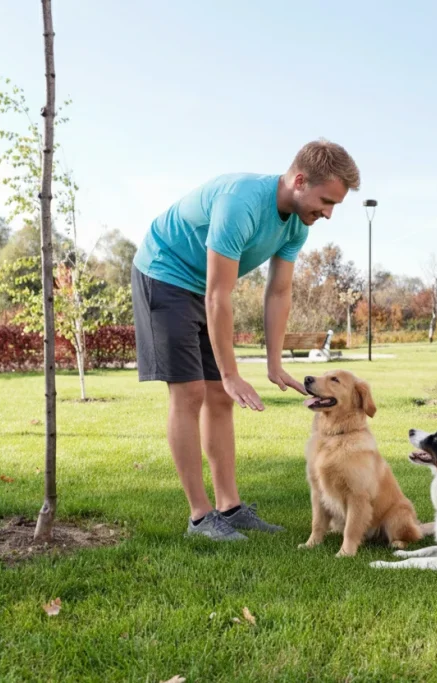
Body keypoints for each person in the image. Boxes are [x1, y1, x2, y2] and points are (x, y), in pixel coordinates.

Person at [131, 139, 360, 541]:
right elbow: (219, 295)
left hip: (202, 287)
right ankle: (200, 518)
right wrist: (230, 373)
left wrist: (274, 363)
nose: (328, 214)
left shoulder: (297, 223)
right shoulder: (241, 204)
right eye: (326, 201)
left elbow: (279, 292)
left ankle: (229, 507)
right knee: (189, 394)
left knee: (220, 399)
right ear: (299, 180)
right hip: (164, 274)